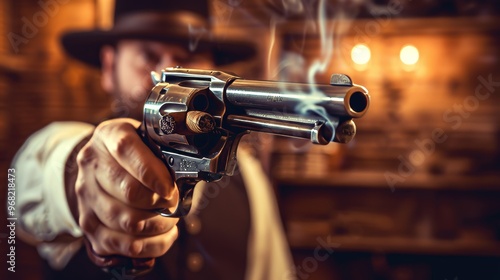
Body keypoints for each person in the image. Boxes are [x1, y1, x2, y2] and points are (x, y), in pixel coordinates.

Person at [12, 0, 294, 279]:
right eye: (148, 56)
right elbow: (30, 180)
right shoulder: (72, 145)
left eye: (188, 58)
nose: (168, 82)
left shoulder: (249, 176)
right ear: (110, 67)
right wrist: (83, 184)